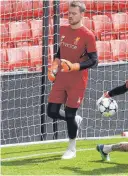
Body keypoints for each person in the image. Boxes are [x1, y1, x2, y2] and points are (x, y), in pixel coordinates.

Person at [47, 1, 98, 160]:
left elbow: (94, 61)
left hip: (77, 81)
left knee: (69, 113)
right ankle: (75, 119)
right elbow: (59, 53)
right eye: (68, 13)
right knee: (51, 112)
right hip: (61, 78)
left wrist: (75, 66)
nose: (70, 16)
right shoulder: (61, 30)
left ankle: (72, 148)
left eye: (73, 13)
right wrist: (54, 67)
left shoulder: (88, 35)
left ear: (82, 15)